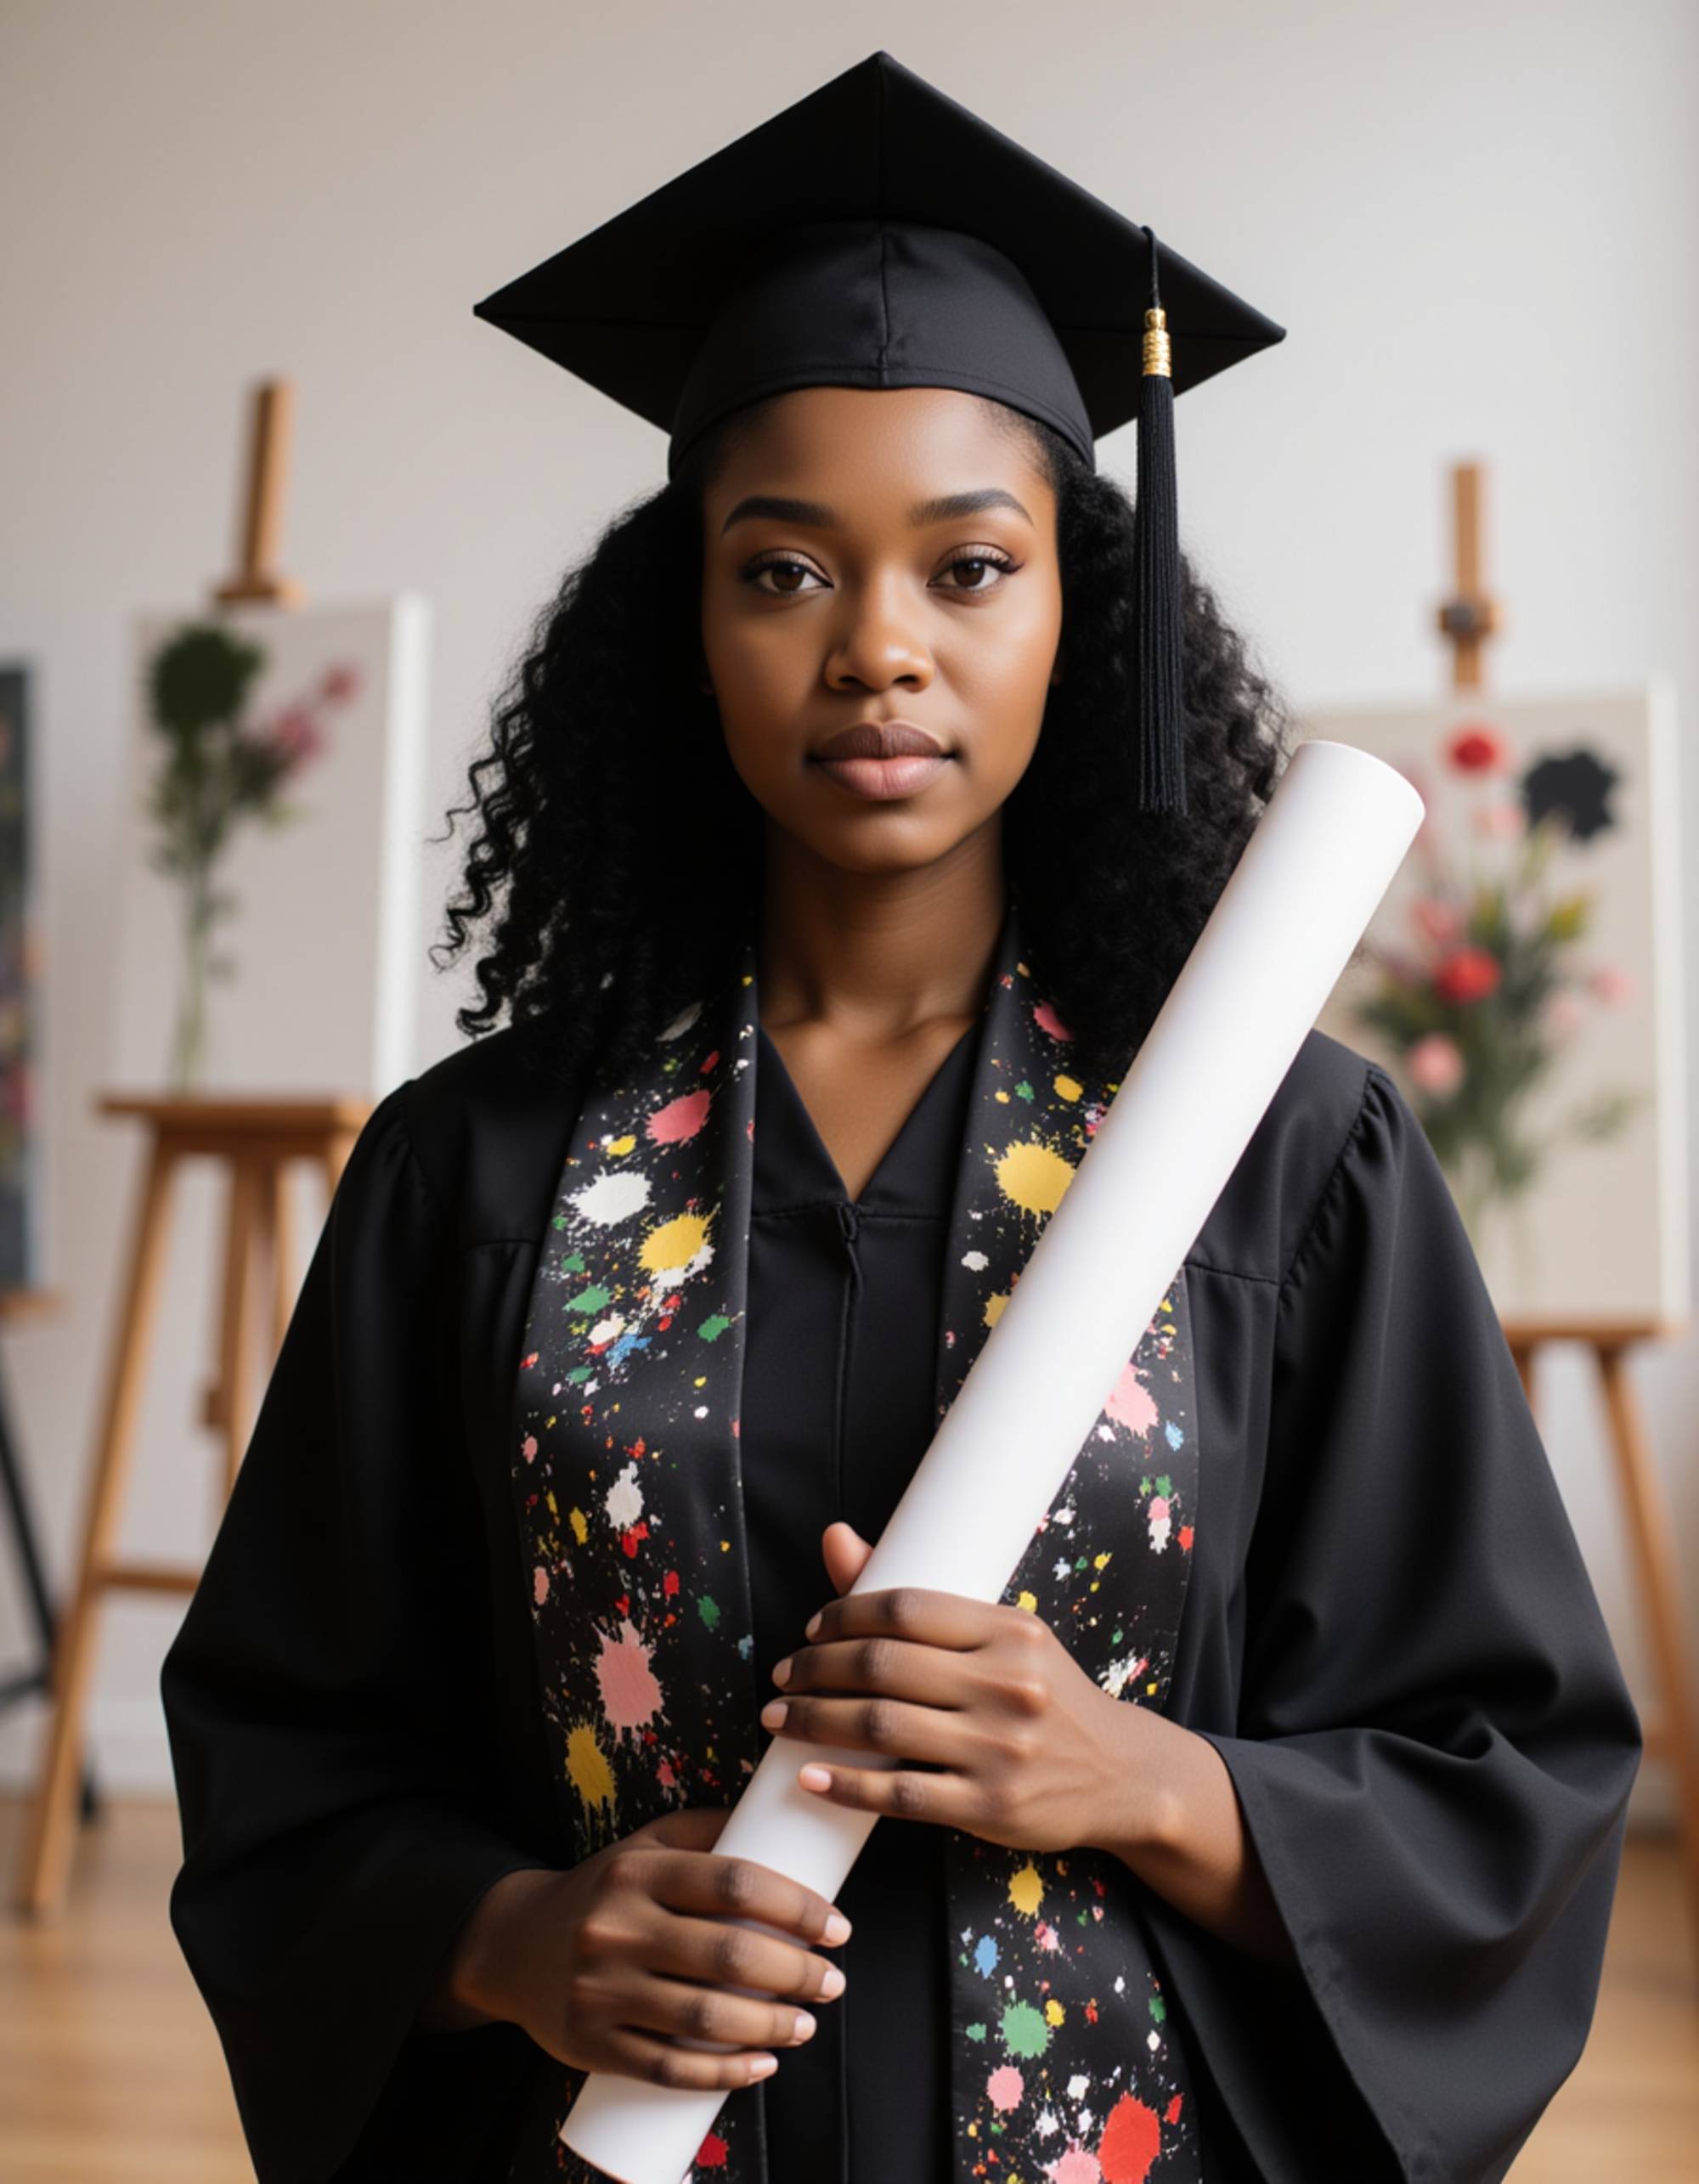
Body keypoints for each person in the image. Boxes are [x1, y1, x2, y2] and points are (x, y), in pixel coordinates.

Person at [161, 50, 1642, 2184]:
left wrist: (1136, 1772)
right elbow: (291, 1753)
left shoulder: (1281, 1157)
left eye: (968, 567)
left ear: (1077, 613)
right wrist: (517, 1936)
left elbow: (1510, 1775)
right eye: (783, 571)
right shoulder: (470, 1170)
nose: (877, 650)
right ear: (684, 621)